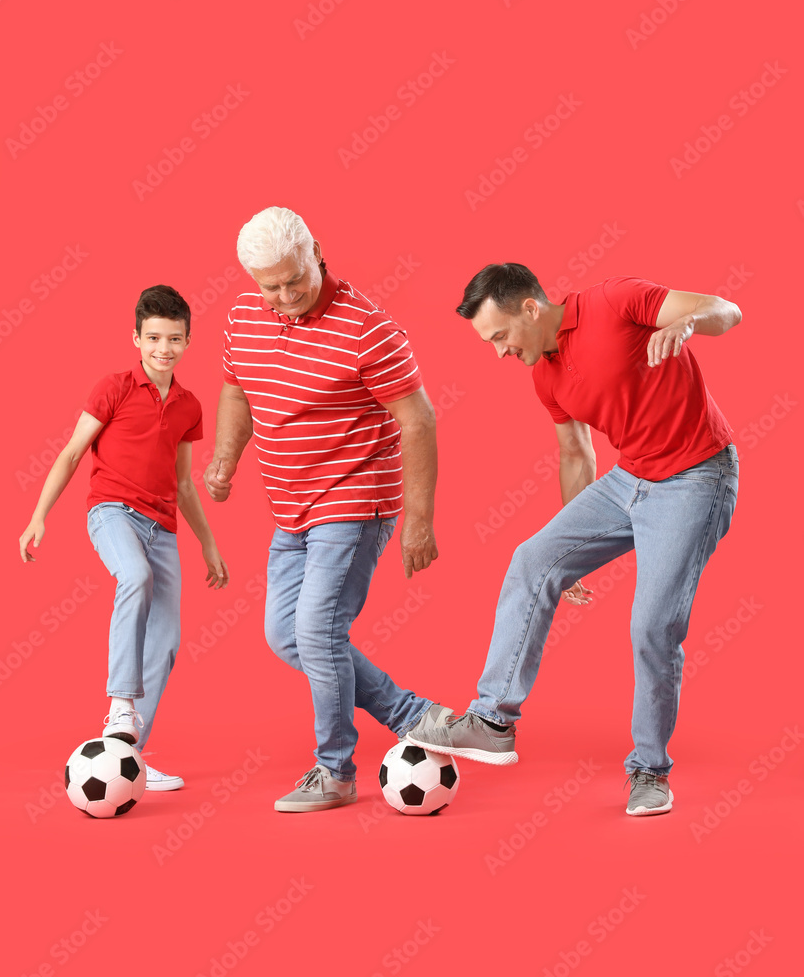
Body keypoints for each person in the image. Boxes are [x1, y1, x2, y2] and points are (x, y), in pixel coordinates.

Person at [407, 265, 741, 816]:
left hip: (696, 475)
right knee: (533, 560)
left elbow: (727, 310)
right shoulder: (544, 374)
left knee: (653, 625)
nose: (498, 353)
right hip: (631, 478)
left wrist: (689, 324)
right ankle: (492, 720)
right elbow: (576, 454)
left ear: (531, 310)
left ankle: (649, 772)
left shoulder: (617, 301)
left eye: (501, 337)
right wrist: (575, 553)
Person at [205, 206, 449, 813]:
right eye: (271, 286)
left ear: (317, 252)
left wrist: (419, 520)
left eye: (296, 280)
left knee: (316, 630)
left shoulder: (368, 327)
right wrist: (224, 460)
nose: (286, 296)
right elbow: (237, 388)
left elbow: (417, 421)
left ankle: (334, 772)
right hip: (290, 508)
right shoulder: (241, 316)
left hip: (355, 497)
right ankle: (418, 716)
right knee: (286, 637)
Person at [19, 285, 228, 791]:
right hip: (112, 511)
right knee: (133, 576)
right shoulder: (112, 387)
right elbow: (72, 454)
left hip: (163, 528)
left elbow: (183, 485)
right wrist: (38, 516)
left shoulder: (189, 406)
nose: (163, 348)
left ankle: (127, 758)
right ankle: (119, 704)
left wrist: (208, 543)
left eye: (174, 339)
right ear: (135, 337)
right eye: (153, 337)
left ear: (187, 341)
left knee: (167, 640)